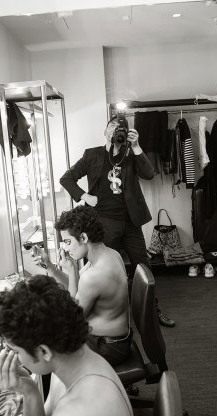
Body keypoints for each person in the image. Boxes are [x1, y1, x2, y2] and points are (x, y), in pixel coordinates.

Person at [0, 275, 135, 416]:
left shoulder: (78, 414)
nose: (16, 359)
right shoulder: (76, 363)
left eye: (16, 352)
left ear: (43, 351)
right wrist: (30, 390)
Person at [60, 115, 175, 327]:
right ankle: (103, 314)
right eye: (112, 126)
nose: (116, 130)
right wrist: (86, 197)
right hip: (102, 223)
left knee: (143, 266)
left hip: (131, 222)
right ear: (105, 131)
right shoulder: (92, 154)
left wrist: (138, 146)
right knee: (100, 268)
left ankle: (152, 310)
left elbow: (149, 174)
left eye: (120, 128)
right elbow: (66, 178)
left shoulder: (131, 154)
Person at [33, 205, 131, 366]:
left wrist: (71, 270)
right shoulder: (109, 255)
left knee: (47, 347)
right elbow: (77, 286)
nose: (65, 247)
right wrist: (50, 266)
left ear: (83, 238)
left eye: (67, 241)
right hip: (110, 340)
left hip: (107, 347)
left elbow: (72, 319)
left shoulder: (96, 275)